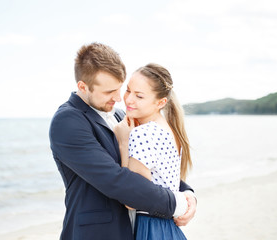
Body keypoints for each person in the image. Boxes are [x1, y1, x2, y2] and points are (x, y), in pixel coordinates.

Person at [49, 43, 196, 240]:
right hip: (97, 234)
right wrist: (176, 204)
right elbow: (116, 179)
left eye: (120, 89)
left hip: (136, 230)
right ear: (83, 87)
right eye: (109, 92)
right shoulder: (67, 121)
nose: (119, 99)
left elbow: (151, 166)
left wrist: (187, 193)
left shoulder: (120, 116)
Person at [113, 63, 193, 239]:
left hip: (152, 228)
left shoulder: (143, 133)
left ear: (161, 102)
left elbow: (132, 199)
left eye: (139, 96)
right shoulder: (170, 129)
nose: (129, 99)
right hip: (167, 227)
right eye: (128, 90)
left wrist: (123, 142)